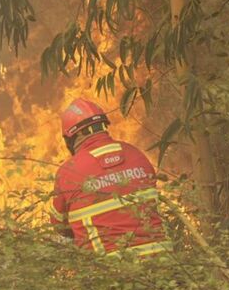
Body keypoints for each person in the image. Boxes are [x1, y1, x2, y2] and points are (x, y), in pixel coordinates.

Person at [49, 98, 167, 257]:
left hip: (110, 272)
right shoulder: (136, 155)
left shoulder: (69, 171)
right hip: (164, 262)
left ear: (71, 137)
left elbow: (60, 227)